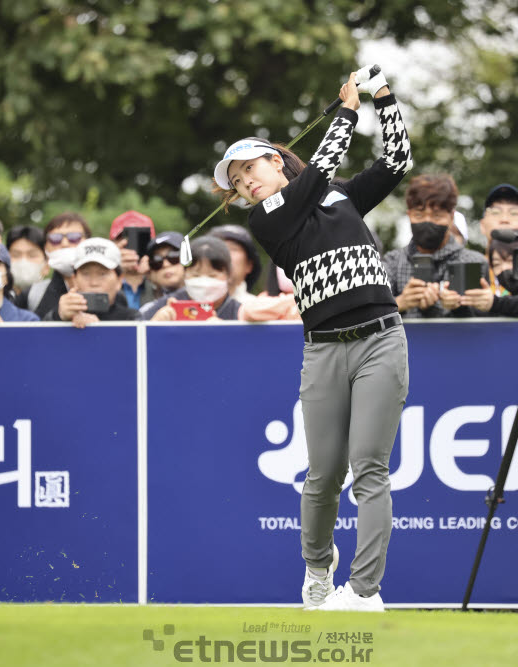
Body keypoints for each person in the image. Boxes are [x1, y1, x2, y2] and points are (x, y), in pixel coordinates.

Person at [212, 66, 411, 612]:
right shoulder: (267, 218)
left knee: (370, 466)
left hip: (380, 339)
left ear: (274, 160)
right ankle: (318, 570)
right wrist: (348, 109)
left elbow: (396, 161)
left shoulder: (341, 199)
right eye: (236, 181)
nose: (245, 183)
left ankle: (365, 591)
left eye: (249, 169)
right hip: (324, 349)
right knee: (324, 474)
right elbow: (320, 169)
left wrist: (384, 97)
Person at [381, 173, 487, 318]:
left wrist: (457, 306)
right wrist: (400, 303)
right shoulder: (392, 262)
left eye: (437, 216)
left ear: (451, 217)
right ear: (409, 214)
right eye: (419, 215)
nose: (427, 221)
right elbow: (370, 317)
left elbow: (480, 323)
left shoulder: (471, 262)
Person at [142, 236, 242, 321]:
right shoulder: (165, 307)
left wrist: (226, 332)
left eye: (212, 276)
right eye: (196, 275)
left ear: (229, 274)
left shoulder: (241, 313)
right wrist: (153, 326)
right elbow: (136, 336)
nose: (204, 282)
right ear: (185, 273)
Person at [45, 238, 139, 326]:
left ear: (119, 280)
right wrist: (58, 317)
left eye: (102, 274)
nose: (94, 283)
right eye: (86, 274)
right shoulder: (61, 313)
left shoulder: (131, 319)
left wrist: (97, 330)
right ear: (74, 280)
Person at [27, 212, 92, 318]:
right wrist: (57, 315)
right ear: (46, 247)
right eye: (55, 238)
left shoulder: (111, 288)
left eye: (74, 237)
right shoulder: (32, 294)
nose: (65, 243)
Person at [110, 210, 156, 310]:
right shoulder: (103, 279)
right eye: (124, 238)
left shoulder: (161, 277)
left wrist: (155, 272)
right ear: (113, 245)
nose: (132, 246)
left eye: (141, 239)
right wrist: (113, 269)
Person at [137, 230, 186, 315]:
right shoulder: (145, 312)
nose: (165, 264)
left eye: (173, 256)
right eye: (157, 260)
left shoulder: (210, 300)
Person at [211, 224, 262, 303]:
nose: (224, 254)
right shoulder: (188, 305)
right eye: (217, 248)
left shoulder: (260, 309)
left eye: (233, 249)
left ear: (249, 265)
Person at [6, 225, 48, 292]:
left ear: (47, 265)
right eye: (15, 255)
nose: (23, 261)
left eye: (32, 255)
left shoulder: (61, 300)